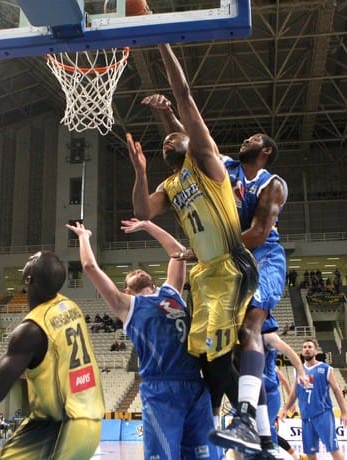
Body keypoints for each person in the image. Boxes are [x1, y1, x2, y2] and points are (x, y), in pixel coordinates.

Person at [127, 43, 260, 454]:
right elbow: (142, 210)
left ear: (191, 141)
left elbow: (184, 97)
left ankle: (252, 426)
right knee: (204, 358)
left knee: (218, 357)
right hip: (204, 275)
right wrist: (140, 171)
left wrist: (162, 40)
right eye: (164, 142)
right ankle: (228, 426)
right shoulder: (170, 184)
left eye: (174, 137)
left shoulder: (207, 162)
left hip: (230, 266)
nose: (167, 141)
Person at [142, 92, 288, 457]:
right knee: (222, 354)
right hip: (223, 262)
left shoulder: (271, 183)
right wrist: (167, 113)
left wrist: (203, 250)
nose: (246, 140)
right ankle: (260, 436)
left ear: (266, 151)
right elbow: (190, 139)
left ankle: (251, 424)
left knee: (250, 328)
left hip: (261, 256)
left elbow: (258, 234)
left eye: (254, 139)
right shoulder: (226, 167)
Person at [67, 218, 223, 460]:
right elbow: (90, 267)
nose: (138, 270)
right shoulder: (128, 305)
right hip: (161, 390)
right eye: (131, 274)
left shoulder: (171, 291)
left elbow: (178, 252)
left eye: (140, 270)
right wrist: (84, 237)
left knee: (207, 457)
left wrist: (148, 225)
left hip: (194, 384)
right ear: (126, 290)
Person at [0, 251, 104, 459]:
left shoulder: (30, 331)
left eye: (33, 259)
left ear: (28, 279)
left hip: (60, 428)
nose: (30, 257)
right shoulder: (71, 307)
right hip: (91, 426)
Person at [280, 339, 347, 460]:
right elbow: (294, 393)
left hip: (323, 415)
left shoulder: (326, 369)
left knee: (333, 449)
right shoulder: (298, 371)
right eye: (304, 347)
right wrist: (285, 408)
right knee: (310, 453)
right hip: (306, 418)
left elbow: (337, 390)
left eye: (310, 347)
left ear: (315, 351)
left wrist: (344, 412)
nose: (307, 349)